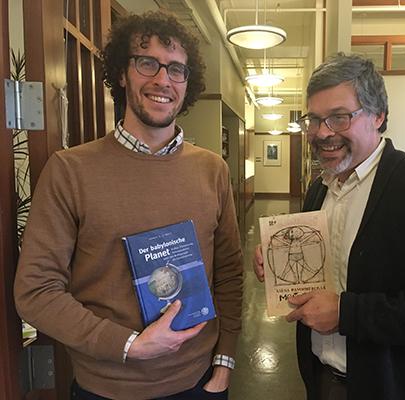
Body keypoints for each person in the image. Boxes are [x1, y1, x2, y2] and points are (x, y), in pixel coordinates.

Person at [14, 11, 243, 400]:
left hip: (198, 383)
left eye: (176, 69)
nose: (162, 80)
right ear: (122, 72)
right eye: (146, 62)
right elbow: (36, 291)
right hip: (106, 388)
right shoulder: (70, 171)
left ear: (188, 84)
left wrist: (224, 362)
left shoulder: (212, 170)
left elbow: (229, 275)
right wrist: (128, 345)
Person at [254, 53, 405, 400]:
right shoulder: (320, 188)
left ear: (378, 115)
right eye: (314, 120)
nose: (322, 133)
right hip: (324, 379)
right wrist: (277, 262)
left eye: (339, 118)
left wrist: (348, 313)